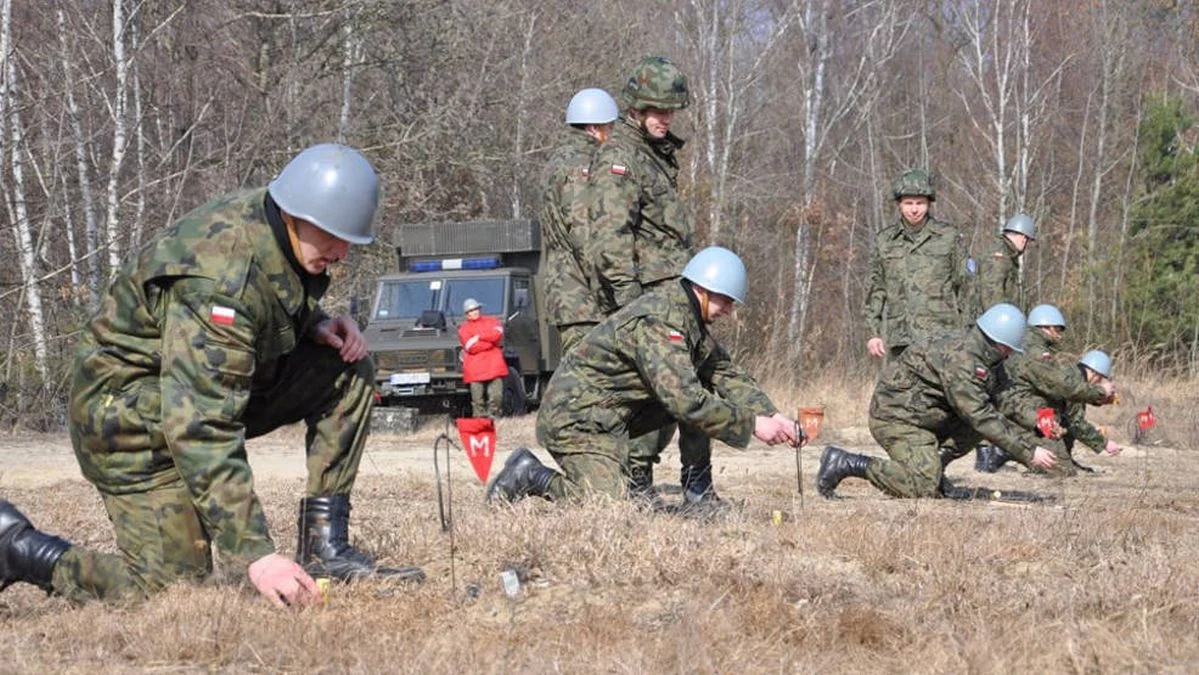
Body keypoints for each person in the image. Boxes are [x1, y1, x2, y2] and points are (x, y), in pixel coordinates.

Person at [0, 143, 423, 608]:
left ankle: (325, 546)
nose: (341, 253)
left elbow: (264, 305)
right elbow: (201, 425)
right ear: (292, 212)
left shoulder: (275, 228)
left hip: (186, 393)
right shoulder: (220, 279)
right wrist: (257, 555)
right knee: (173, 590)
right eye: (332, 237)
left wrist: (313, 324)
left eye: (349, 241)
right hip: (128, 425)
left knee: (346, 364)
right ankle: (19, 549)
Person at [484, 247, 803, 504]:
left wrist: (773, 414)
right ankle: (529, 475)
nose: (730, 311)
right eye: (727, 301)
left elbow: (723, 371)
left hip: (608, 417)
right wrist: (751, 425)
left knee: (701, 382)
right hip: (574, 419)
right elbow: (686, 402)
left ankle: (696, 492)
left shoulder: (688, 319)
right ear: (703, 290)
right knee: (607, 505)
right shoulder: (660, 322)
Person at [583, 56, 719, 508]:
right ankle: (637, 483)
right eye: (658, 111)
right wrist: (630, 306)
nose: (666, 119)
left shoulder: (655, 155)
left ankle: (697, 485)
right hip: (646, 300)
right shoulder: (620, 158)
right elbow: (610, 239)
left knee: (696, 383)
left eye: (671, 111)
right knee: (654, 394)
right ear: (636, 109)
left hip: (676, 292)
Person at [818, 303, 1056, 499]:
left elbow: (1004, 396)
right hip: (898, 419)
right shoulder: (963, 359)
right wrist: (1028, 451)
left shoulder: (985, 354)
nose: (1011, 355)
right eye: (1010, 350)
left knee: (973, 429)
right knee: (921, 486)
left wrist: (1036, 420)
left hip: (926, 417)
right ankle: (846, 462)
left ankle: (935, 471)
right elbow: (979, 414)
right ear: (1000, 344)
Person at [983, 305, 1119, 474]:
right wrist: (1099, 393)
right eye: (1058, 329)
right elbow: (1066, 397)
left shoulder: (1024, 344)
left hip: (1017, 411)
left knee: (1062, 457)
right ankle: (1006, 449)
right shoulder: (1037, 353)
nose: (1060, 335)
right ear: (1046, 327)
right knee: (1061, 470)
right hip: (1023, 414)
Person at [539, 87, 619, 354]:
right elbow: (584, 232)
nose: (612, 133)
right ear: (595, 127)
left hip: (568, 291)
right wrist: (610, 290)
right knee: (590, 382)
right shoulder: (583, 166)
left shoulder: (556, 163)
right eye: (610, 126)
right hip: (584, 297)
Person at [864, 169, 973, 360]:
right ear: (899, 204)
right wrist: (873, 333)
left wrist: (969, 332)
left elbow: (966, 286)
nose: (914, 209)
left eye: (920, 203)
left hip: (943, 339)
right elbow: (876, 288)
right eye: (908, 203)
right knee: (897, 390)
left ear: (929, 204)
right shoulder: (885, 241)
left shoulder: (948, 237)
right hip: (902, 340)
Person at [970, 212, 1037, 471]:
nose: (1026, 245)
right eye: (1026, 240)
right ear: (1019, 236)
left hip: (996, 334)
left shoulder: (1006, 257)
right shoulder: (999, 258)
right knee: (988, 392)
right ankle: (986, 454)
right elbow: (993, 301)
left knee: (995, 391)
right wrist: (1001, 337)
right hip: (992, 336)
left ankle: (993, 450)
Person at [458, 297, 508, 418]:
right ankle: (479, 423)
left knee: (496, 397)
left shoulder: (492, 321)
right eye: (471, 310)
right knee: (477, 400)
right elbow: (471, 347)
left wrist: (479, 337)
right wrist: (489, 341)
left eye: (476, 309)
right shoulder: (464, 329)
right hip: (475, 369)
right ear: (466, 314)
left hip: (494, 366)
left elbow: (497, 334)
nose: (474, 312)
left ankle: (494, 419)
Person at [975, 213, 1036, 311]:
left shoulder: (1008, 255)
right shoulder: (999, 257)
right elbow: (991, 301)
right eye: (1027, 241)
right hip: (993, 323)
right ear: (1023, 239)